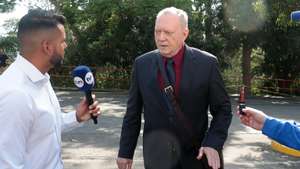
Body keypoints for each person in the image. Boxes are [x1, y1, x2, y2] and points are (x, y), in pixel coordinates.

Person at [116, 7, 232, 169]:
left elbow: (223, 109)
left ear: (185, 34)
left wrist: (213, 143)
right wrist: (125, 151)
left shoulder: (207, 64)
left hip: (196, 156)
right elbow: (132, 113)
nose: (161, 38)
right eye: (157, 32)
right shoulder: (141, 64)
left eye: (168, 32)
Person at [0, 9, 101, 169]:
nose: (66, 45)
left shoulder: (41, 78)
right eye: (62, 41)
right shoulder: (15, 94)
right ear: (47, 47)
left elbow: (45, 128)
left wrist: (76, 116)